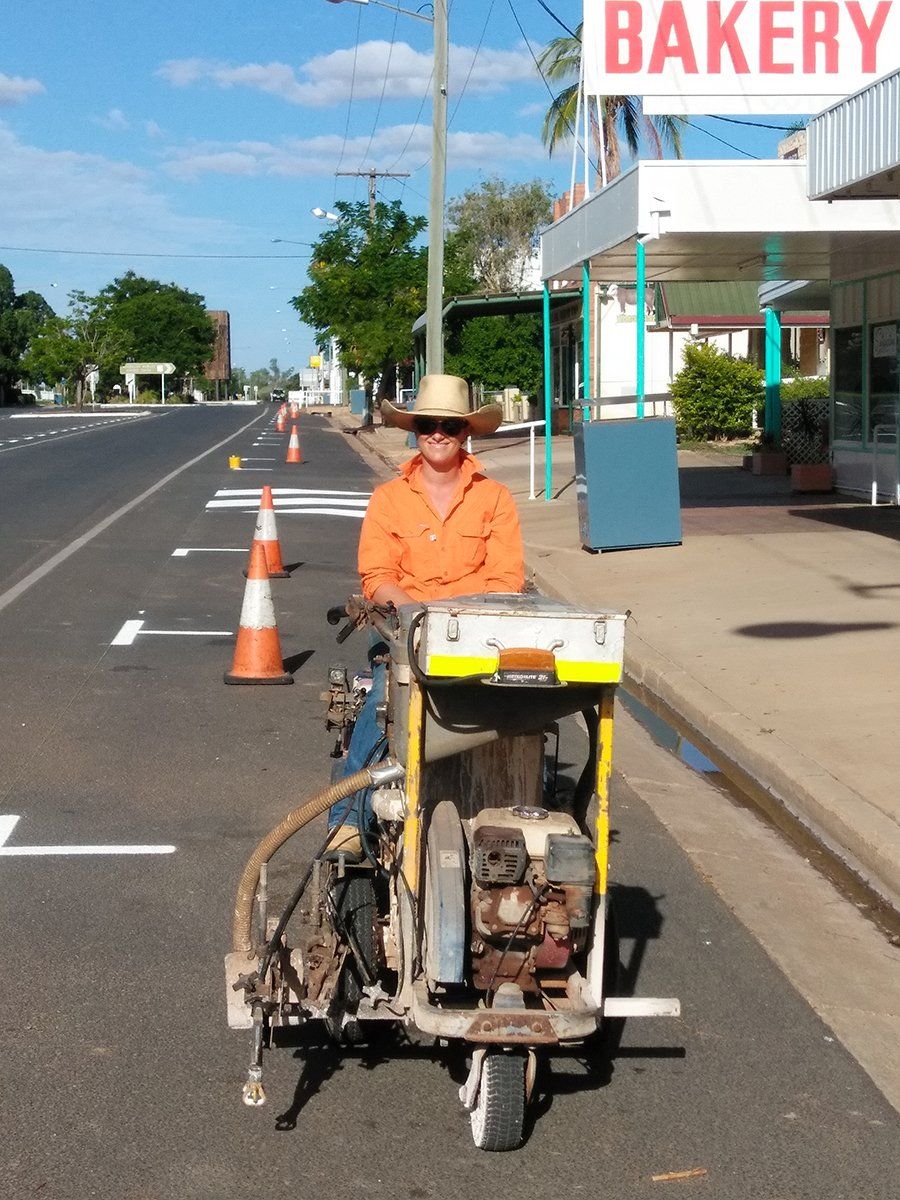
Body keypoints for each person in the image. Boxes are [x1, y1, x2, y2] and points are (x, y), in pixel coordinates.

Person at [329, 374, 525, 855]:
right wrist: (415, 614)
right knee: (382, 709)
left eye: (450, 426)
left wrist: (457, 616)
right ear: (415, 430)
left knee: (522, 714)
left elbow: (506, 580)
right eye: (428, 425)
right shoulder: (388, 498)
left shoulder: (494, 498)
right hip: (403, 634)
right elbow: (376, 575)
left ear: (466, 434)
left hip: (476, 637)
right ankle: (348, 822)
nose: (438, 434)